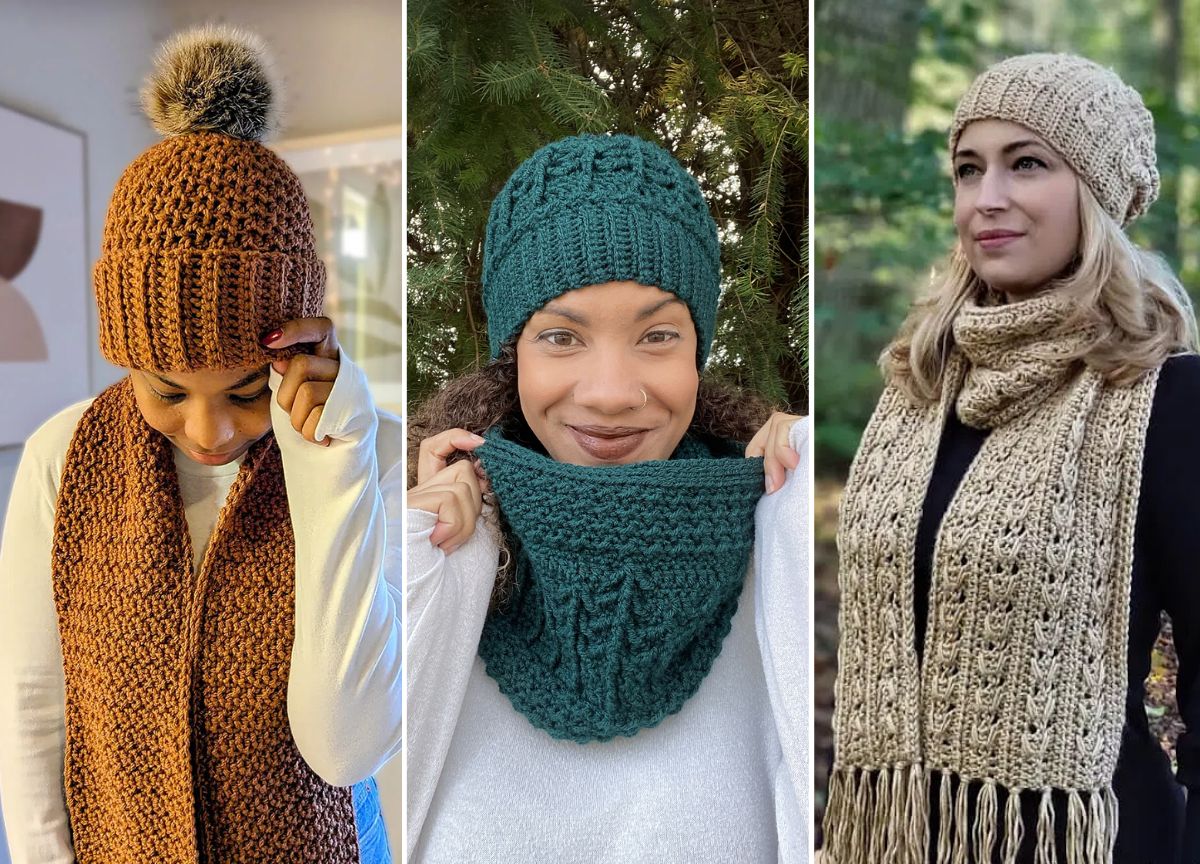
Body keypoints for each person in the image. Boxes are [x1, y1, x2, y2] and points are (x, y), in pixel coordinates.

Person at [0, 26, 402, 863]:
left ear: (298, 342)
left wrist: (332, 462)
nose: (210, 431)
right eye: (168, 390)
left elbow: (346, 746)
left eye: (248, 390)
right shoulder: (60, 459)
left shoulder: (370, 455)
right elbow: (36, 709)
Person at [822, 53, 1200, 864]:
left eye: (1027, 164)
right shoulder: (918, 386)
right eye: (968, 169)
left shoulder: (1165, 399)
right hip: (902, 840)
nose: (985, 199)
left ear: (1095, 194)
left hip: (1093, 839)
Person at [405, 132, 810, 862]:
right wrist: (417, 554)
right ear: (514, 354)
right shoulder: (442, 544)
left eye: (657, 335)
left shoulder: (777, 546)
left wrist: (805, 475)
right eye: (562, 337)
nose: (613, 393)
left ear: (698, 351)